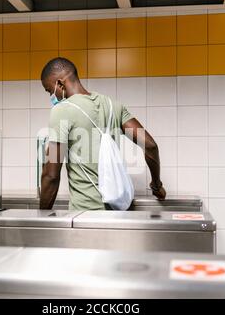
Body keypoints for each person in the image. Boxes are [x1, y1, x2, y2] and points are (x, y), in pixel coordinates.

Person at [39, 57, 166, 211]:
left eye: (49, 90)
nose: (52, 97)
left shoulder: (61, 111)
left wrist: (42, 217)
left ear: (60, 84)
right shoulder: (113, 105)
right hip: (118, 211)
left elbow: (51, 175)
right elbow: (150, 145)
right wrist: (156, 185)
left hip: (85, 214)